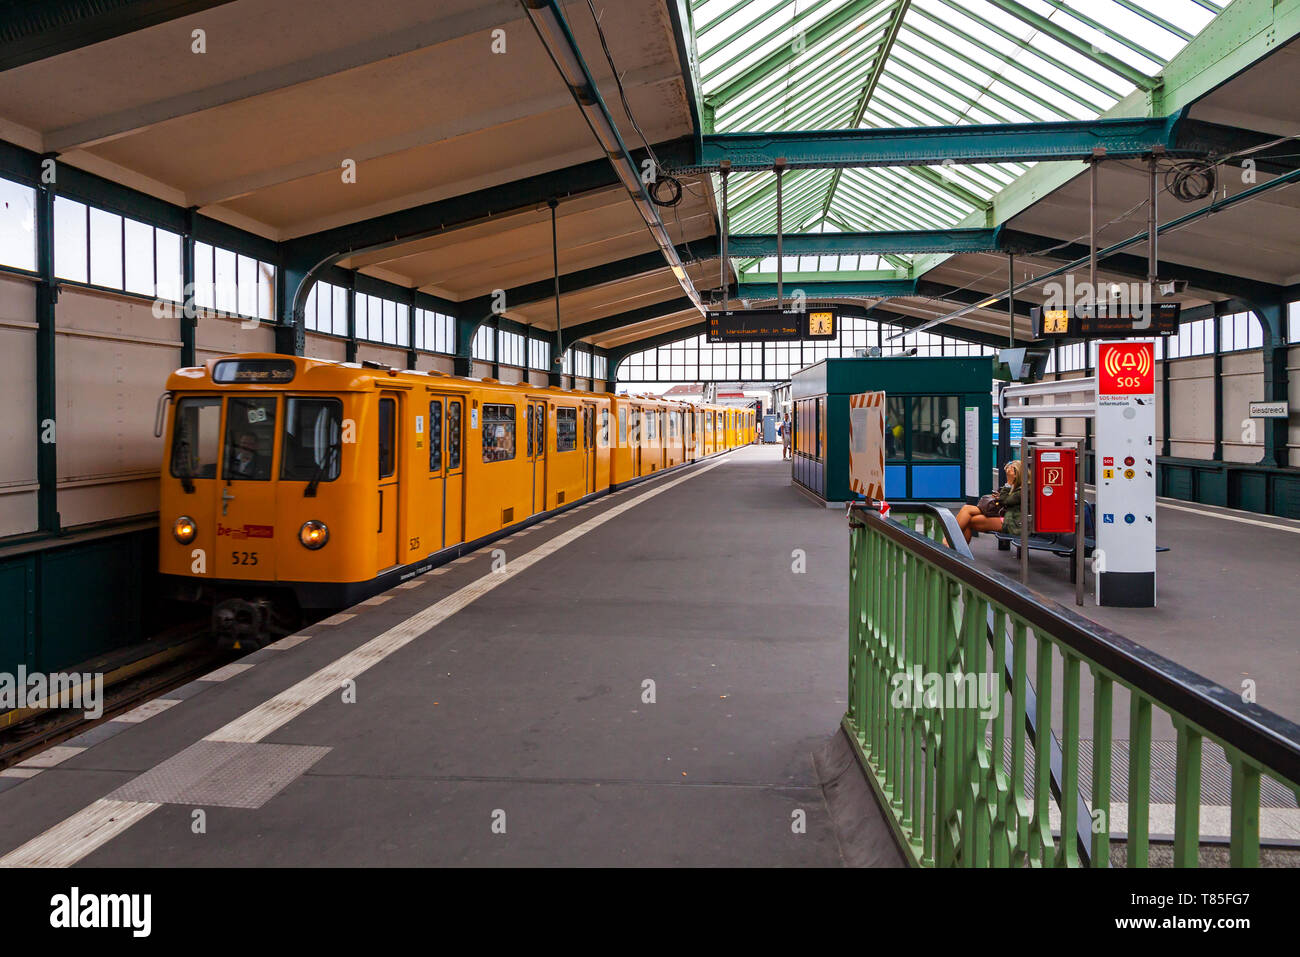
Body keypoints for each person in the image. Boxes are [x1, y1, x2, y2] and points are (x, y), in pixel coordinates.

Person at [955, 459, 1022, 544]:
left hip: (1013, 522)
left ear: (1017, 474)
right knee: (966, 508)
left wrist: (1008, 483)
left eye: (1008, 474)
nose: (1007, 476)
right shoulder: (1016, 486)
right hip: (1004, 514)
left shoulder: (1023, 490)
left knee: (969, 521)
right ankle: (951, 544)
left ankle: (953, 548)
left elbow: (1005, 501)